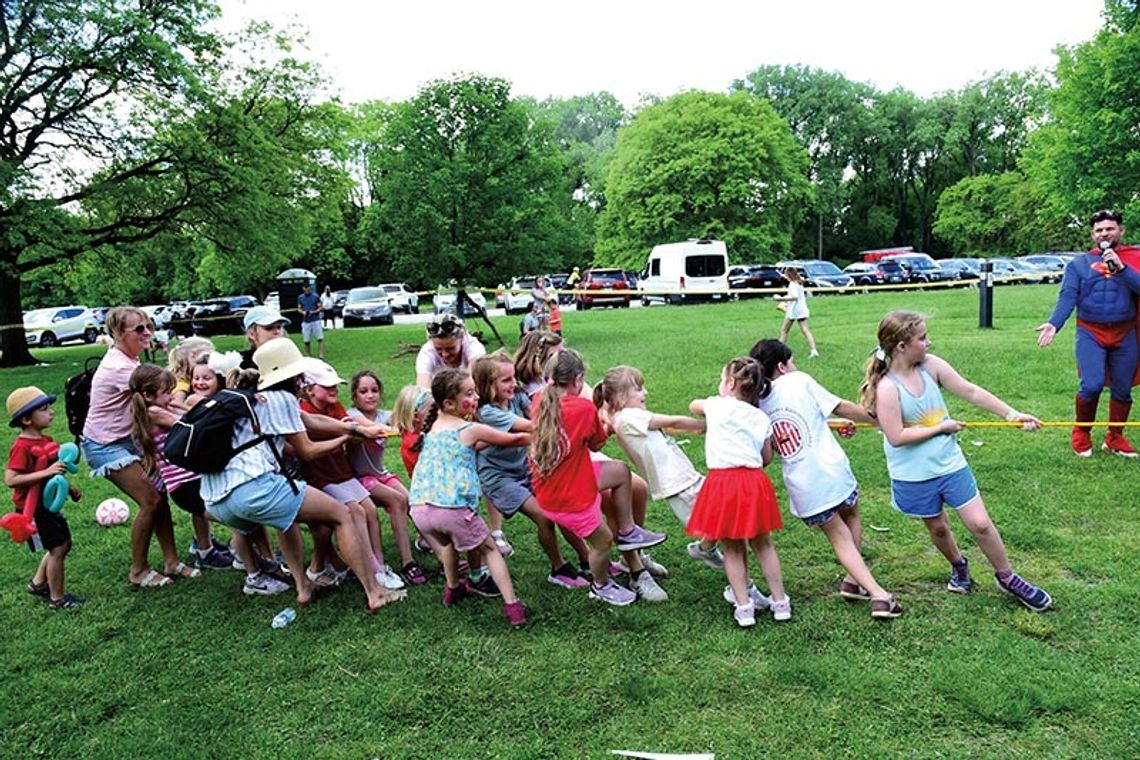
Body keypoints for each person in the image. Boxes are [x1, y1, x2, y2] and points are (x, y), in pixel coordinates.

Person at [861, 310, 1052, 612]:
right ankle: (958, 565)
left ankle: (1007, 577)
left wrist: (1012, 414)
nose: (929, 342)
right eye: (922, 338)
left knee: (980, 523)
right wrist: (941, 427)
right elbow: (896, 436)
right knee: (937, 528)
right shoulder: (887, 388)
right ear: (901, 346)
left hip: (950, 464)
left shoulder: (931, 366)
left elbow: (970, 390)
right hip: (914, 473)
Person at [200, 338, 404, 612]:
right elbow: (306, 450)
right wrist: (345, 439)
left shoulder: (249, 397)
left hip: (216, 500)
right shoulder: (281, 397)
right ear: (292, 373)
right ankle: (375, 593)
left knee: (285, 519)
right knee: (341, 515)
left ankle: (303, 587)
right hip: (254, 488)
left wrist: (356, 429)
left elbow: (312, 421)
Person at [751, 339, 902, 620]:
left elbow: (776, 444)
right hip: (831, 472)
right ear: (782, 366)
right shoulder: (798, 380)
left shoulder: (756, 403)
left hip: (802, 486)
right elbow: (840, 406)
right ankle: (878, 595)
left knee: (838, 534)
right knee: (849, 522)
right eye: (792, 361)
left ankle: (852, 581)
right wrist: (877, 419)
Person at [529, 349, 668, 606]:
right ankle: (601, 585)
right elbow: (596, 445)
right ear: (578, 380)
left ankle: (627, 531)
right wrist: (606, 424)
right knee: (602, 542)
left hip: (552, 487)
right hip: (570, 496)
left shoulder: (540, 399)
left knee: (619, 472)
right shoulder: (582, 408)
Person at [407, 368, 529, 627]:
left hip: (420, 510)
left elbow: (475, 445)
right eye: (470, 393)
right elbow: (515, 438)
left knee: (449, 544)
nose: (475, 398)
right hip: (451, 510)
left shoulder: (432, 429)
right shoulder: (470, 428)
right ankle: (513, 607)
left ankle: (453, 590)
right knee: (490, 550)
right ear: (449, 403)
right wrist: (545, 434)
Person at [81, 306, 193, 588]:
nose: (147, 333)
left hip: (129, 439)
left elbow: (163, 400)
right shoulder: (121, 368)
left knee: (160, 495)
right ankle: (138, 571)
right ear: (119, 333)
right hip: (106, 445)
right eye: (139, 329)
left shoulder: (130, 362)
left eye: (149, 326)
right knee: (150, 500)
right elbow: (159, 406)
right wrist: (195, 417)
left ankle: (172, 561)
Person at [472, 351, 591, 589]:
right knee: (545, 517)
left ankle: (588, 559)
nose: (513, 383)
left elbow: (537, 410)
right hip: (499, 478)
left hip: (524, 469)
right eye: (505, 380)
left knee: (560, 506)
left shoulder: (517, 398)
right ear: (488, 384)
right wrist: (572, 420)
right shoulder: (488, 412)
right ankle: (559, 568)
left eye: (513, 377)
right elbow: (530, 427)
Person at [688, 358, 790, 628]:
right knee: (763, 544)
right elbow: (766, 457)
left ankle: (744, 607)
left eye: (722, 380)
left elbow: (694, 405)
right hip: (754, 482)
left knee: (732, 548)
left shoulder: (717, 406)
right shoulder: (760, 417)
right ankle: (780, 602)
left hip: (724, 483)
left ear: (731, 383)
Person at [594, 365, 726, 571]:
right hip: (679, 483)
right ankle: (714, 556)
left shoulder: (620, 418)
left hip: (683, 479)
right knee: (724, 517)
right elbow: (674, 421)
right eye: (638, 389)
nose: (645, 392)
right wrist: (710, 426)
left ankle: (708, 548)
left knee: (725, 511)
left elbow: (667, 426)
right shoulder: (629, 417)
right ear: (620, 397)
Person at [1036, 209, 1140, 456]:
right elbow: (1067, 297)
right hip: (1091, 332)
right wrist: (1054, 323)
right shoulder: (1079, 264)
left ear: (1121, 231)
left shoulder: (1134, 258)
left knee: (1122, 389)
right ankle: (1081, 432)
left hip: (1125, 332)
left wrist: (1122, 268)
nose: (1105, 233)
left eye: (1110, 228)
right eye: (1099, 230)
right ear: (1093, 234)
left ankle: (1115, 437)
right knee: (1091, 385)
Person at [126, 365, 239, 574]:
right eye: (166, 393)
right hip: (185, 486)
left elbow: (192, 412)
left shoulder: (159, 407)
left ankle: (212, 552)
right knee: (236, 517)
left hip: (191, 482)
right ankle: (248, 561)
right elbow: (190, 427)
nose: (171, 397)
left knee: (221, 514)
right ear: (148, 395)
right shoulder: (154, 412)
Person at [5, 387, 85, 609]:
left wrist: (69, 489)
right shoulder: (21, 447)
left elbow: (54, 473)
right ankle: (57, 599)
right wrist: (45, 473)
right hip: (31, 509)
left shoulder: (45, 439)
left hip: (46, 504)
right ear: (27, 418)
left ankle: (39, 583)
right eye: (44, 409)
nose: (51, 412)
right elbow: (11, 479)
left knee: (63, 544)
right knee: (57, 549)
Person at [346, 370, 427, 585]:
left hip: (380, 474)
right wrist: (394, 426)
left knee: (411, 500)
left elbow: (407, 419)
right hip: (360, 478)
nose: (370, 395)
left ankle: (427, 540)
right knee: (396, 499)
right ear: (355, 396)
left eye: (374, 391)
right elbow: (373, 427)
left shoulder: (384, 415)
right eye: (363, 391)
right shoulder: (352, 415)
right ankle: (407, 562)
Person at [414, 313, 486, 388]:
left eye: (450, 348)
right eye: (438, 349)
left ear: (462, 338)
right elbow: (422, 389)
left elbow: (471, 381)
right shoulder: (427, 352)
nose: (445, 354)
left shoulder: (474, 348)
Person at [775, 267, 819, 358]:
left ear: (789, 275)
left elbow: (795, 297)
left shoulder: (792, 284)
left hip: (794, 311)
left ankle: (778, 352)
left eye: (786, 275)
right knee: (806, 330)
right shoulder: (799, 282)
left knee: (784, 331)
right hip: (801, 310)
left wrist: (780, 298)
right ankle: (814, 350)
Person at [297, 283, 325, 359]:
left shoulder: (315, 296)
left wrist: (314, 312)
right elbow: (299, 308)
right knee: (306, 340)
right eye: (305, 289)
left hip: (315, 320)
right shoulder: (300, 298)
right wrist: (303, 312)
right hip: (306, 321)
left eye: (308, 289)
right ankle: (309, 355)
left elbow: (320, 307)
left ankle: (321, 355)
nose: (307, 291)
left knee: (320, 338)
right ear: (303, 289)